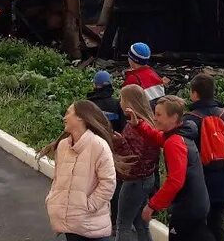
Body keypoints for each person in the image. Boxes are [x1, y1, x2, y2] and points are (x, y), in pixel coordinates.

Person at [125, 95, 212, 241]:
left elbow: (175, 181)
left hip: (187, 207)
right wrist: (138, 125)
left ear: (174, 117)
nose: (154, 117)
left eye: (159, 114)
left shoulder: (174, 142)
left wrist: (152, 205)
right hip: (199, 202)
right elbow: (158, 137)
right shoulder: (180, 134)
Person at [42, 100, 127, 241]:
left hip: (92, 225)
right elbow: (57, 178)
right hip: (69, 223)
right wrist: (52, 199)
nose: (64, 117)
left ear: (81, 117)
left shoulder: (99, 145)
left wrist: (88, 206)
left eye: (68, 113)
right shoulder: (63, 145)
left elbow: (108, 183)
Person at [187, 74, 224, 240]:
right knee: (217, 222)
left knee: (196, 225)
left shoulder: (190, 120)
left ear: (194, 94)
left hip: (199, 182)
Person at [111, 85, 159, 241]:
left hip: (135, 181)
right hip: (146, 178)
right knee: (140, 223)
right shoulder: (147, 123)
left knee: (123, 224)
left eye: (122, 99)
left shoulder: (137, 127)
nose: (120, 103)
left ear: (130, 102)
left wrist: (119, 142)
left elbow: (134, 159)